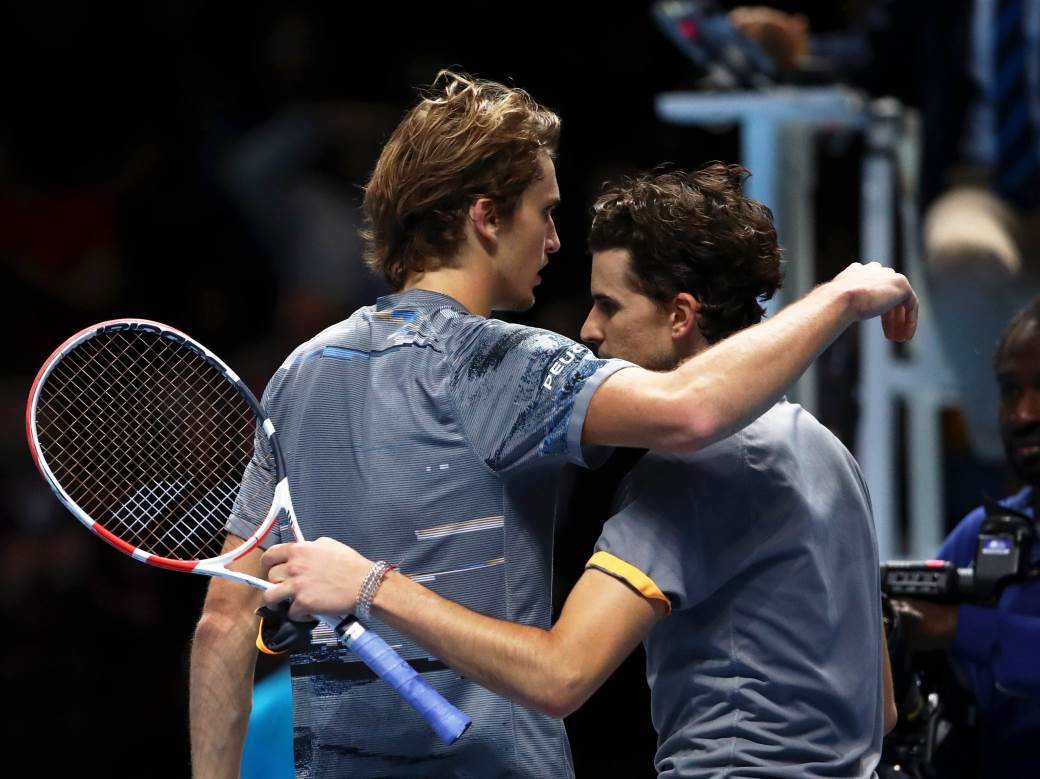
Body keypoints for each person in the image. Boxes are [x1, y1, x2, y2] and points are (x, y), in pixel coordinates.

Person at [190, 70, 916, 778]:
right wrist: (843, 294)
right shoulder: (511, 364)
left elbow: (224, 621)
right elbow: (694, 410)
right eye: (545, 210)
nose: (555, 241)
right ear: (486, 216)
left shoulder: (297, 374)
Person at [729, 1, 1040, 468]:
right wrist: (798, 52)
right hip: (981, 182)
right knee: (960, 252)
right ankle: (1014, 461)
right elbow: (880, 57)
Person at [892, 298, 1040, 778]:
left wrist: (959, 629)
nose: (1024, 414)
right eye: (1010, 391)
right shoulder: (988, 533)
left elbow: (945, 624)